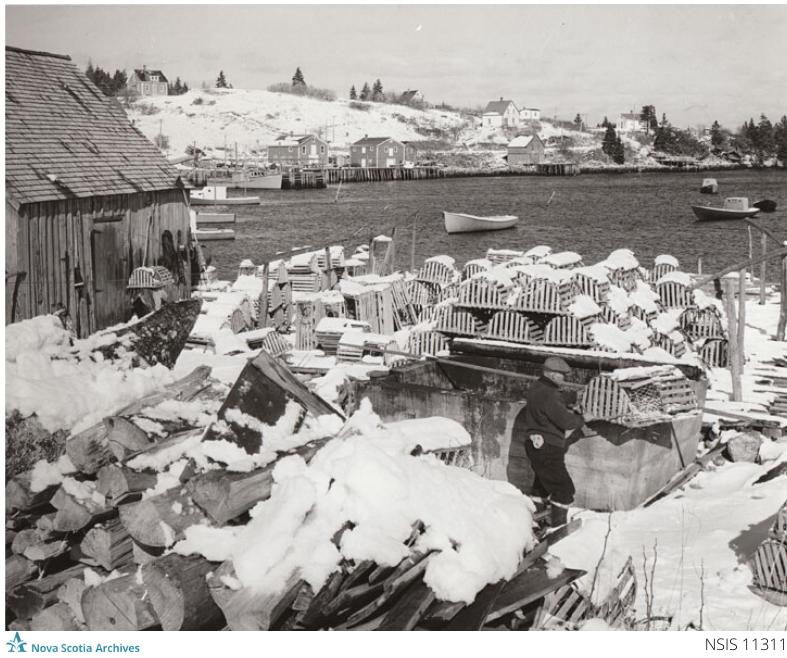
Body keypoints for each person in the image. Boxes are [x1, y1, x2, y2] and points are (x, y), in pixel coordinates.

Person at [514, 356, 592, 528]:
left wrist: (573, 397)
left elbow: (552, 402)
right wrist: (583, 418)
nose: (563, 379)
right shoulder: (550, 395)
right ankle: (557, 529)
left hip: (534, 445)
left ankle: (535, 524)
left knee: (541, 487)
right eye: (562, 376)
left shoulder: (536, 388)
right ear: (553, 375)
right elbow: (566, 421)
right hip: (548, 447)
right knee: (564, 490)